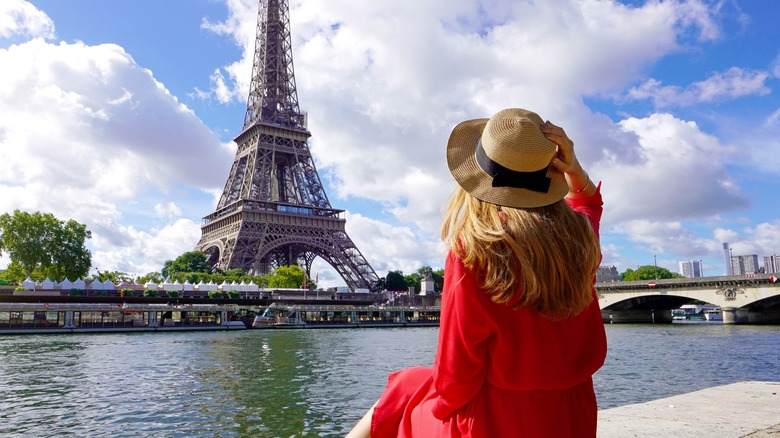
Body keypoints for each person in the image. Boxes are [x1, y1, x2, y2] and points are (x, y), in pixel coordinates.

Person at [346, 108, 607, 438]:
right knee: (410, 385)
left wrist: (437, 408)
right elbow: (588, 204)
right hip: (572, 417)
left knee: (400, 394)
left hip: (496, 421)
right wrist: (574, 169)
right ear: (551, 171)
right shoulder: (580, 238)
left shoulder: (475, 251)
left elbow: (456, 376)